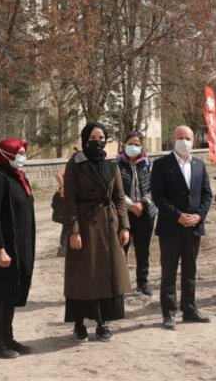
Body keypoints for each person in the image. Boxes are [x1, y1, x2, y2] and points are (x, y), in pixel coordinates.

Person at [62, 122, 131, 342]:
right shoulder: (75, 163)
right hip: (84, 224)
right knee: (83, 275)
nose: (98, 141)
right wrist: (73, 231)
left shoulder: (112, 164)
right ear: (85, 139)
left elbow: (119, 197)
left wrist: (124, 225)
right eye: (93, 137)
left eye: (102, 137)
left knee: (106, 274)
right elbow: (70, 199)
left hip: (109, 226)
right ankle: (79, 323)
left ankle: (103, 322)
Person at [0, 138, 36, 359]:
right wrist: (0, 248)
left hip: (19, 245)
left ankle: (8, 337)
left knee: (11, 291)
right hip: (1, 246)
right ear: (6, 154)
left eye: (23, 152)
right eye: (18, 152)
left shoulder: (16, 176)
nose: (22, 156)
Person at [151, 125, 213, 328]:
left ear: (193, 140)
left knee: (190, 270)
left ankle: (190, 309)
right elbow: (158, 196)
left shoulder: (199, 164)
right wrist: (177, 216)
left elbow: (206, 194)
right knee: (169, 271)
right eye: (180, 137)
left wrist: (199, 215)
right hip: (171, 227)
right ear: (173, 140)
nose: (184, 141)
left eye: (188, 137)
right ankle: (168, 313)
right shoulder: (161, 165)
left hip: (193, 227)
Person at [117, 131, 156, 297]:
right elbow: (116, 190)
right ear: (124, 145)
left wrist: (143, 203)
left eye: (137, 144)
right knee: (121, 249)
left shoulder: (148, 164)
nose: (134, 147)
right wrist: (131, 205)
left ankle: (143, 283)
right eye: (130, 143)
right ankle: (121, 284)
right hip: (124, 213)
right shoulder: (117, 165)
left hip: (145, 213)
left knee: (143, 250)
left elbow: (154, 188)